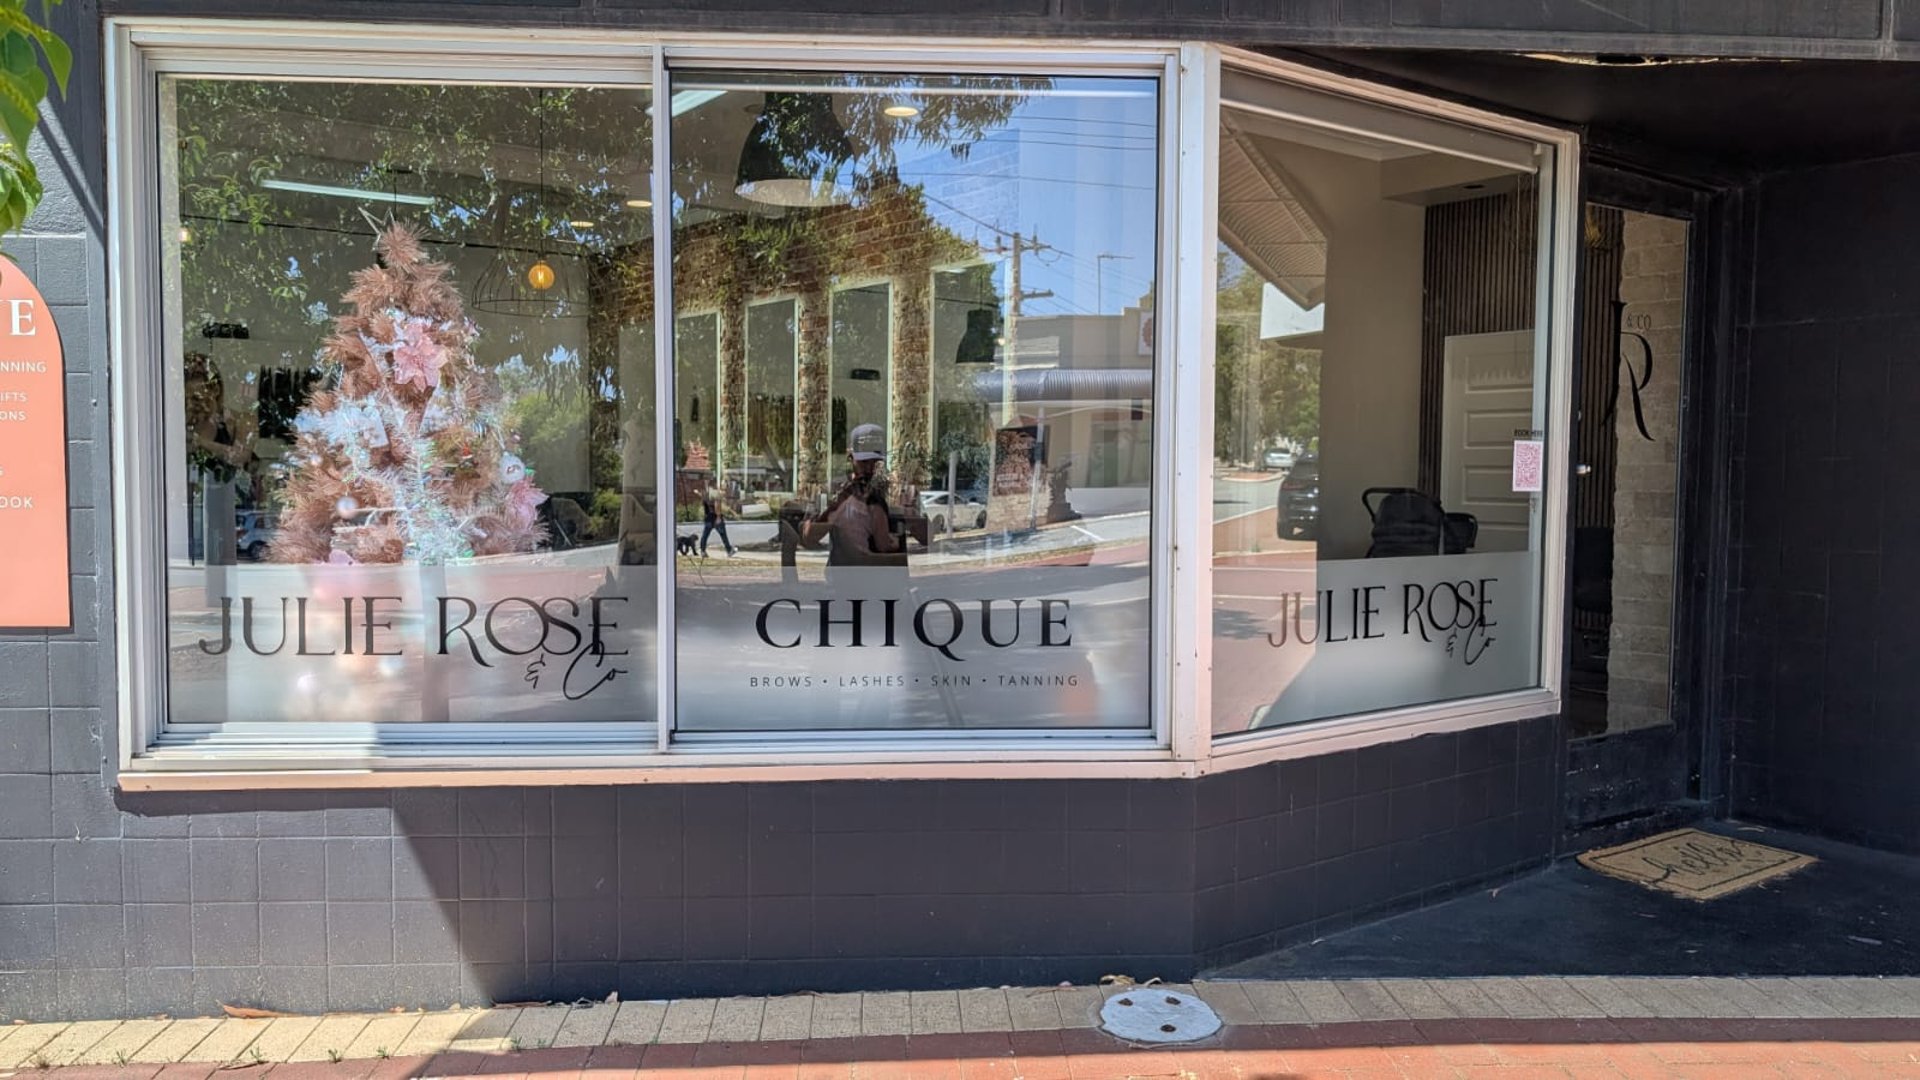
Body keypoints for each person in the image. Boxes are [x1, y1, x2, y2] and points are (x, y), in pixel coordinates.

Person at [700, 485, 736, 557]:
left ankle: (702, 551)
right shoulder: (717, 495)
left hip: (708, 518)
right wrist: (718, 517)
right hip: (716, 518)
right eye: (724, 491)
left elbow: (704, 506)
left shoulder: (707, 495)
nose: (725, 493)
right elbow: (717, 506)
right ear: (721, 489)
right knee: (723, 535)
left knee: (705, 535)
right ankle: (729, 550)